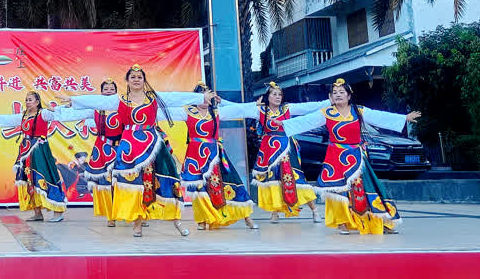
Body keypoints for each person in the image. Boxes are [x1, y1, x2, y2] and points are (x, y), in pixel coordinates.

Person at [62, 65, 205, 237]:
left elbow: (175, 97)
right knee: (134, 184)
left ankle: (176, 221)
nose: (136, 79)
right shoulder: (120, 100)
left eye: (139, 77)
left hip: (152, 145)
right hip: (129, 147)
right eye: (133, 77)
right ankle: (137, 223)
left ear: (144, 80)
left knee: (164, 180)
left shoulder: (153, 98)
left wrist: (201, 97)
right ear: (127, 81)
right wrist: (74, 100)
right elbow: (98, 101)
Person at [282, 78, 421, 235]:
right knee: (337, 190)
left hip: (356, 157)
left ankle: (378, 221)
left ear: (349, 96)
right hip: (335, 157)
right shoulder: (326, 113)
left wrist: (404, 118)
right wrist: (283, 124)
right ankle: (342, 222)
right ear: (330, 97)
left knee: (367, 188)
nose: (338, 95)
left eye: (342, 92)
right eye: (335, 93)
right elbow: (305, 121)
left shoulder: (358, 111)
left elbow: (379, 116)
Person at [178, 87, 258, 231]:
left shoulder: (216, 112)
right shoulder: (187, 112)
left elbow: (239, 110)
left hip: (215, 154)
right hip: (195, 155)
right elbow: (163, 112)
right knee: (198, 188)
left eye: (207, 96)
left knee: (231, 182)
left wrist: (253, 105)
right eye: (201, 96)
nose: (205, 99)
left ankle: (247, 217)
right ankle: (202, 219)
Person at [249, 82, 326, 223]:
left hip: (286, 148)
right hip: (269, 149)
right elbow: (238, 110)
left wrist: (330, 101)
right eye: (274, 94)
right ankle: (274, 212)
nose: (278, 97)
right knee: (272, 179)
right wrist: (222, 102)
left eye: (280, 94)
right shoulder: (260, 110)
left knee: (295, 178)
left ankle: (314, 210)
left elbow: (310, 107)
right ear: (268, 96)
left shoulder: (287, 108)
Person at [49, 79, 122, 226]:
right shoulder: (95, 109)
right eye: (105, 89)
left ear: (116, 92)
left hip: (122, 149)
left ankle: (131, 212)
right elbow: (72, 114)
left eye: (111, 89)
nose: (108, 91)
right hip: (103, 149)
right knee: (106, 182)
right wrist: (56, 111)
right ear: (101, 92)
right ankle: (111, 216)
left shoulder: (122, 107)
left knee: (125, 182)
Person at [0, 91, 68, 222]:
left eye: (30, 100)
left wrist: (58, 108)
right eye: (27, 100)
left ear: (37, 102)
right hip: (25, 151)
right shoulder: (24, 115)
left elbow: (57, 114)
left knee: (46, 176)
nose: (28, 102)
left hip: (39, 150)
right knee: (30, 179)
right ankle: (37, 213)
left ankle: (58, 211)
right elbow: (9, 119)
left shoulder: (43, 113)